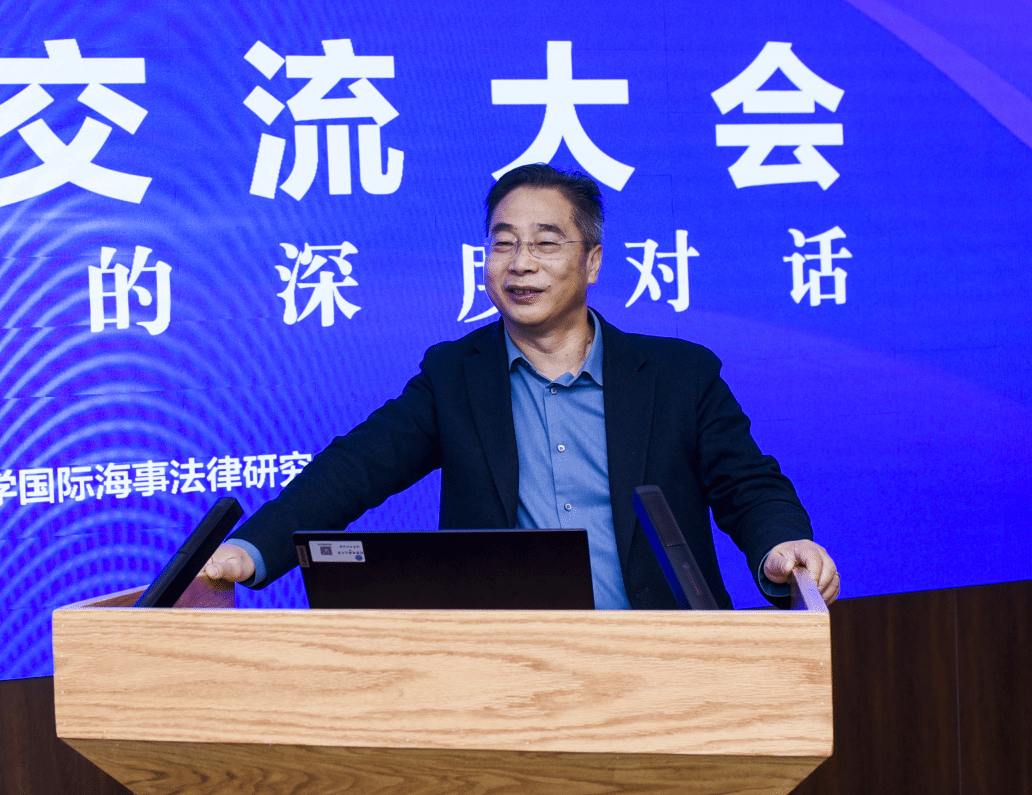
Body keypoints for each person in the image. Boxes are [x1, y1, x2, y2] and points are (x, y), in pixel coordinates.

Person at [205, 163, 839, 608]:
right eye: (503, 244)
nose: (521, 264)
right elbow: (354, 469)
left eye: (545, 243)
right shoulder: (455, 375)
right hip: (507, 665)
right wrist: (252, 550)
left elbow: (748, 486)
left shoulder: (679, 375)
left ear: (592, 261)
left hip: (666, 658)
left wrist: (781, 546)